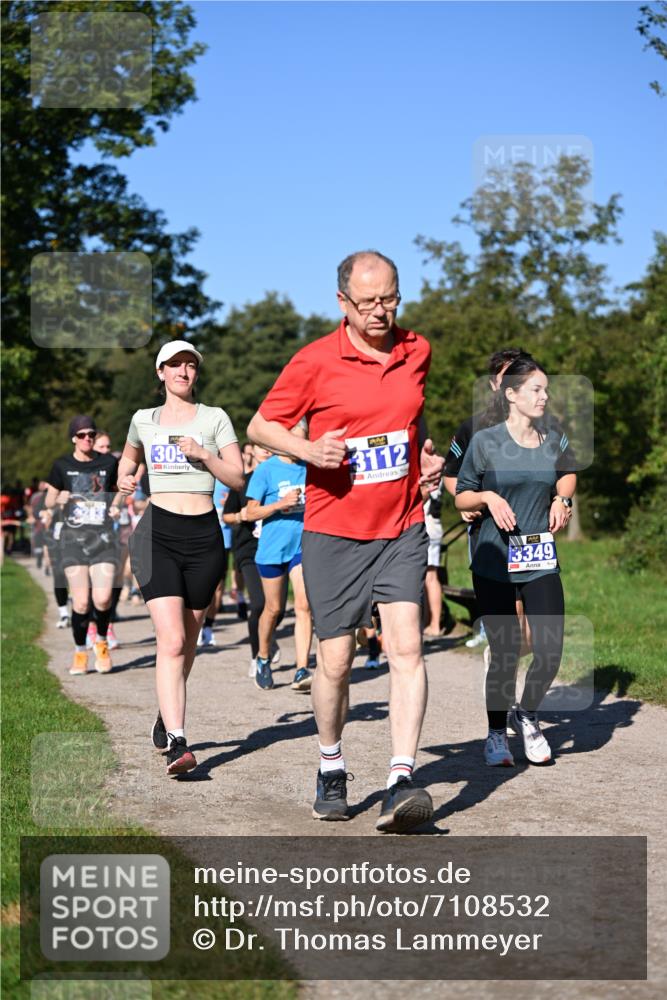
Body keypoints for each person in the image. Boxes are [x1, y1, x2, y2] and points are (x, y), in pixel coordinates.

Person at [248, 250, 443, 833]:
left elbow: (412, 421)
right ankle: (331, 765)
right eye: (368, 302)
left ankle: (401, 778)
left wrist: (424, 458)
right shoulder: (313, 361)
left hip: (402, 525)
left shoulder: (417, 351)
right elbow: (261, 425)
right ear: (343, 303)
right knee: (335, 661)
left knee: (406, 648)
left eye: (390, 298)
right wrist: (308, 451)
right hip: (334, 530)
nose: (381, 311)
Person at [117, 341, 243, 775]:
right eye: (175, 365)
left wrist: (204, 455)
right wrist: (125, 478)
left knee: (187, 642)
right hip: (156, 535)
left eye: (190, 365)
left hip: (204, 537)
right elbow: (129, 457)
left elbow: (238, 476)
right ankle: (179, 743)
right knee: (170, 641)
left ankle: (165, 712)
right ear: (160, 372)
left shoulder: (215, 419)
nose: (183, 372)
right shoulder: (142, 420)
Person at [455, 356, 577, 767]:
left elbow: (567, 472)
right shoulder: (485, 441)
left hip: (539, 558)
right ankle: (494, 733)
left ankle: (526, 713)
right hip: (494, 561)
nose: (544, 397)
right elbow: (462, 494)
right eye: (536, 390)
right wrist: (488, 497)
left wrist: (563, 498)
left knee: (551, 649)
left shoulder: (553, 437)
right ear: (512, 395)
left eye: (546, 389)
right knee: (506, 652)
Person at [44, 416, 120, 675]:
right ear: (73, 438)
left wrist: (118, 505)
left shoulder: (109, 463)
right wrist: (58, 498)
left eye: (91, 434)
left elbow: (120, 488)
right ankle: (79, 652)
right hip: (72, 541)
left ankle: (100, 643)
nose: (87, 438)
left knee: (103, 597)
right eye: (82, 435)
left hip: (103, 539)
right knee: (81, 604)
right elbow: (48, 500)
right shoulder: (62, 465)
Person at [245, 422, 313, 692]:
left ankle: (301, 669)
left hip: (302, 547)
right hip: (272, 550)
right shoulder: (266, 470)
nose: (302, 444)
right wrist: (280, 505)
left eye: (305, 438)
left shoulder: (310, 469)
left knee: (304, 606)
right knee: (273, 609)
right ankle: (263, 657)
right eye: (298, 439)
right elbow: (250, 512)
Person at [222, 442, 288, 679]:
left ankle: (267, 637)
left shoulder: (284, 476)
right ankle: (256, 657)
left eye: (270, 445)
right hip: (248, 549)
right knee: (259, 604)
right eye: (261, 446)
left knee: (278, 609)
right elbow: (226, 515)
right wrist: (242, 515)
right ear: (251, 449)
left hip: (277, 546)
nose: (267, 449)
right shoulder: (243, 482)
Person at [421, 480, 445, 638]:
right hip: (432, 526)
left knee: (430, 577)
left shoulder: (430, 467)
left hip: (428, 527)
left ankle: (435, 624)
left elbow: (422, 495)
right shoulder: (436, 465)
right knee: (427, 578)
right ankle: (427, 622)